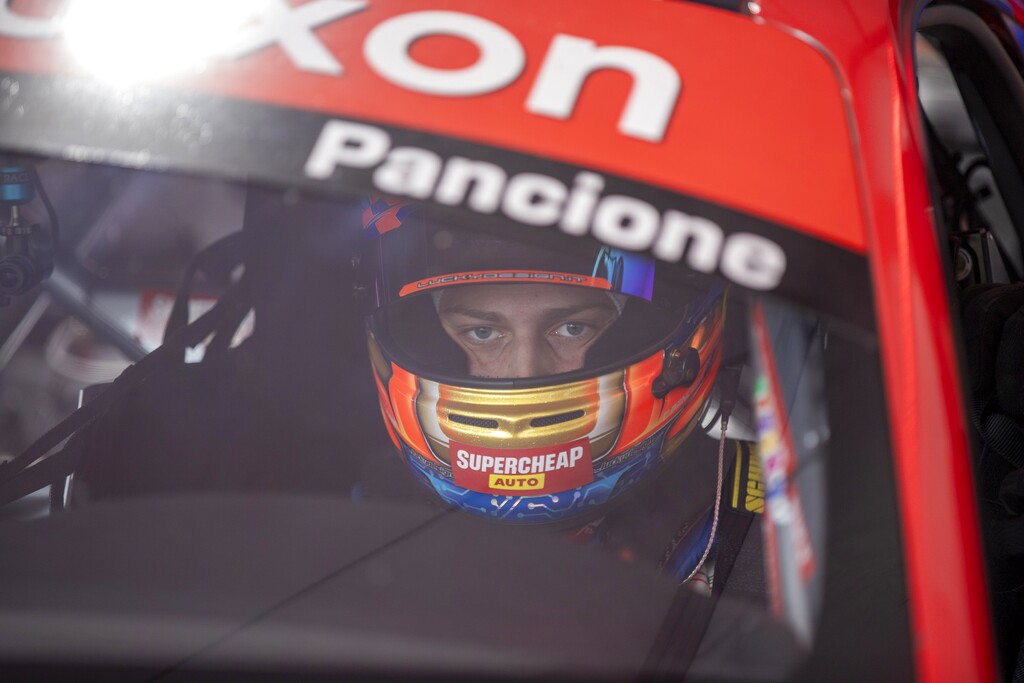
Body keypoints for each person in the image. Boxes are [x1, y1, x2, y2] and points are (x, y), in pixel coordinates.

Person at [359, 196, 765, 596]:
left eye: (573, 328)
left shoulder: (765, 528)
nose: (526, 372)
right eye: (482, 333)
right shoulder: (362, 521)